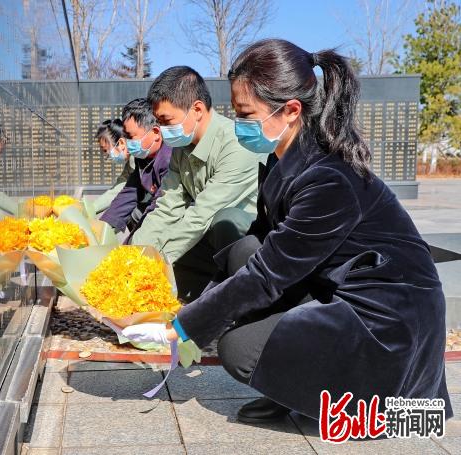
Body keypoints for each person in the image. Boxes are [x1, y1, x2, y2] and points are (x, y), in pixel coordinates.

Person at [122, 39, 452, 424]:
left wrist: (178, 329)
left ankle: (353, 404)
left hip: (387, 320)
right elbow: (258, 255)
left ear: (291, 110)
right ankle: (293, 384)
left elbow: (266, 276)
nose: (239, 124)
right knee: (242, 247)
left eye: (246, 114)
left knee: (239, 350)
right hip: (339, 288)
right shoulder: (285, 163)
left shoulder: (329, 180)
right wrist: (183, 312)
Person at [130, 66, 262, 301]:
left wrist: (160, 260)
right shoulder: (180, 147)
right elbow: (167, 205)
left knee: (225, 221)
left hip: (247, 240)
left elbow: (202, 213)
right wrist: (135, 254)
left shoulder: (235, 145)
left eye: (166, 120)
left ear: (197, 109)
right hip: (204, 234)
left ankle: (239, 302)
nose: (162, 130)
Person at [99, 98, 172, 240]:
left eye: (131, 137)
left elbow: (162, 208)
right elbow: (130, 192)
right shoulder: (143, 156)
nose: (127, 142)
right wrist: (102, 228)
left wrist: (131, 244)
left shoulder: (169, 158)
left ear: (156, 133)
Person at [92, 119, 135, 214]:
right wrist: (92, 207)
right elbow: (119, 187)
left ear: (120, 143)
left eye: (106, 150)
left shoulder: (137, 158)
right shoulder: (130, 163)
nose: (108, 155)